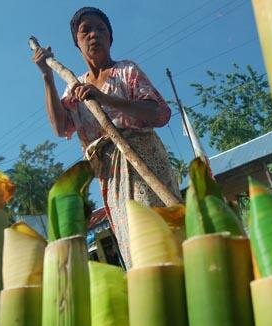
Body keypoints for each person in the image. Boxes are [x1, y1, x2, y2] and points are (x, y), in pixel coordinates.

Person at [32, 7, 180, 268]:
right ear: (77, 43)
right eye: (85, 30)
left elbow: (158, 113)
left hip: (142, 162)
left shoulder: (126, 71)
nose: (94, 35)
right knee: (132, 245)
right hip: (110, 176)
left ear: (111, 39)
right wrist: (46, 76)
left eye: (101, 30)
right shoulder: (73, 88)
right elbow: (60, 126)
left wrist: (103, 98)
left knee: (158, 238)